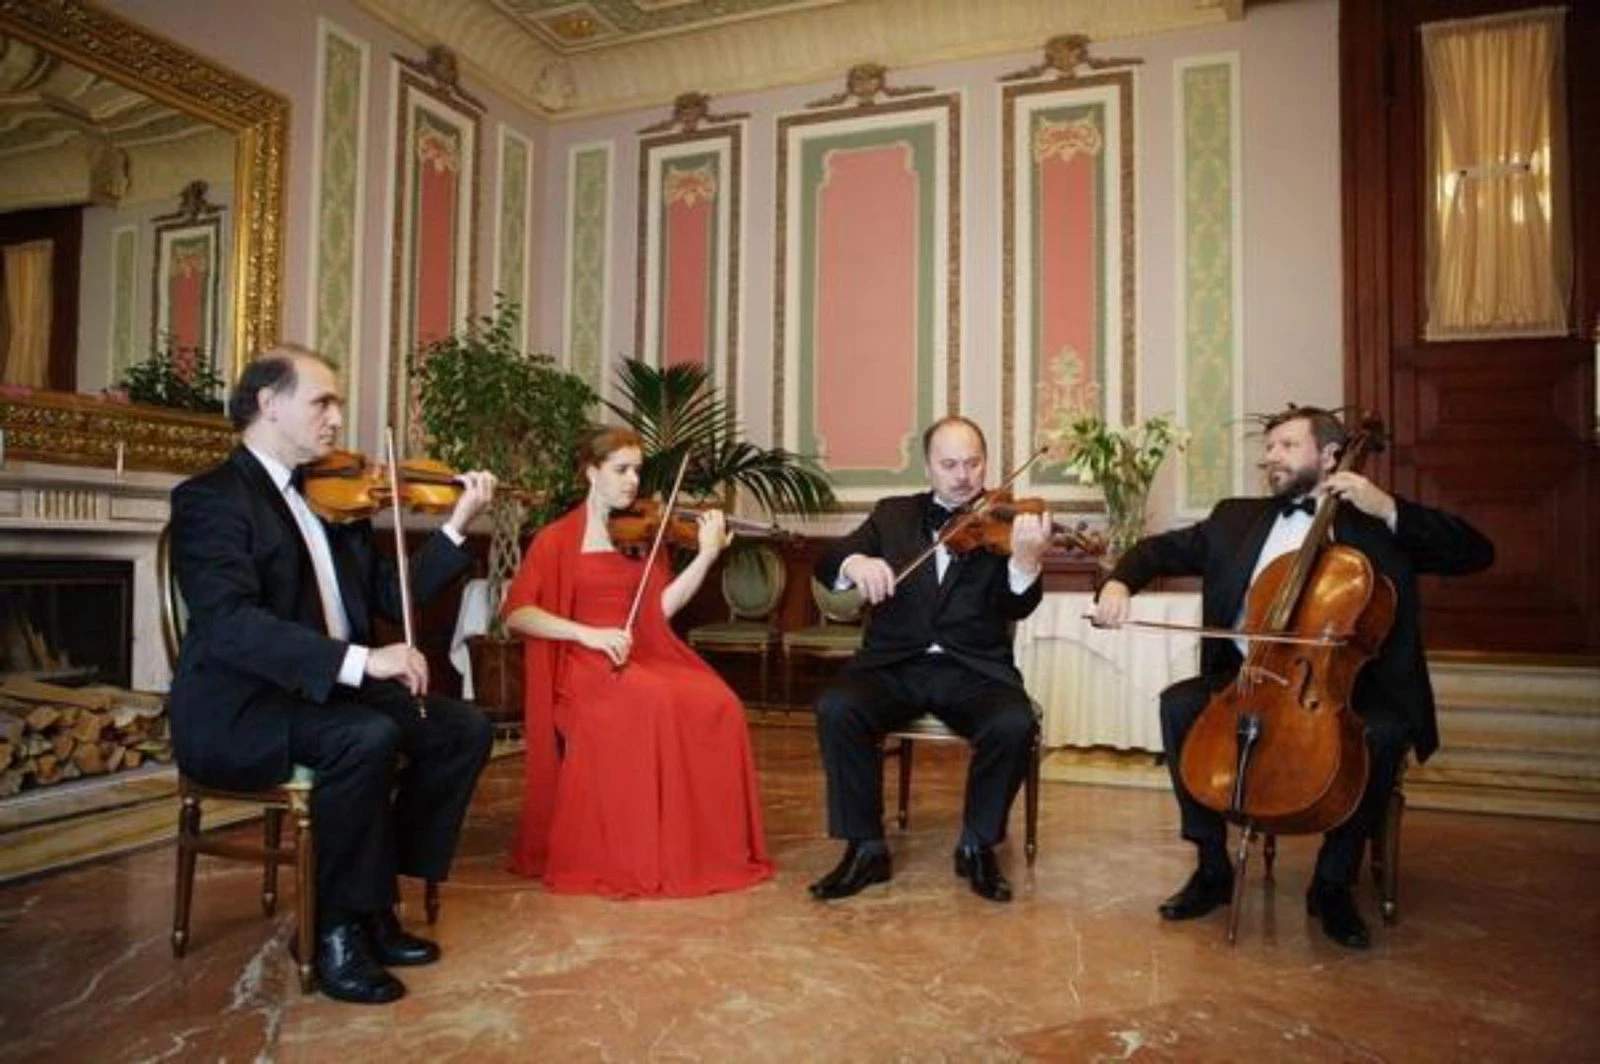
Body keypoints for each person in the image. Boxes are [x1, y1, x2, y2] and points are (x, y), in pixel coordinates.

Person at [1090, 405, 1493, 948]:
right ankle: (1211, 867)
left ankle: (1333, 882)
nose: (1271, 457)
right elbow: (1154, 551)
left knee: (1381, 733)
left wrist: (1388, 507)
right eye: (1269, 448)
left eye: (1286, 446)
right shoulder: (1235, 518)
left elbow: (1474, 553)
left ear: (1329, 456)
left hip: (1346, 687)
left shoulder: (1375, 524)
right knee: (1180, 703)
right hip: (1252, 676)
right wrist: (1119, 583)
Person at [168, 346, 496, 1005]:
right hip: (242, 707)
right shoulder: (211, 498)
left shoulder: (331, 498)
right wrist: (363, 661)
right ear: (268, 404)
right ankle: (333, 929)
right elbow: (231, 623)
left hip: (327, 693)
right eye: (322, 402)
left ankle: (373, 902)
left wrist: (457, 527)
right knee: (365, 737)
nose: (338, 419)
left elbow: (392, 595)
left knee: (461, 728)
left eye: (337, 404)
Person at [502, 425, 773, 897]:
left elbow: (658, 611)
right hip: (584, 663)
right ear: (592, 473)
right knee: (654, 699)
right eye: (621, 470)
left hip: (642, 649)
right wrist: (587, 633)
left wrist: (706, 556)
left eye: (637, 470)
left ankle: (698, 848)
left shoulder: (642, 536)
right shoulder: (555, 539)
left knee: (720, 702)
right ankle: (648, 850)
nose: (633, 481)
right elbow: (518, 614)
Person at [809, 416, 1049, 903]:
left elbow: (1016, 606)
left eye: (973, 464)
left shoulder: (1005, 523)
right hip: (894, 666)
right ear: (928, 467)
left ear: (986, 463)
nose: (962, 476)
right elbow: (829, 561)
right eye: (949, 464)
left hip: (973, 669)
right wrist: (857, 563)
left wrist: (1025, 564)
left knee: (1013, 722)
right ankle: (865, 848)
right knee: (837, 706)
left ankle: (977, 845)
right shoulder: (892, 515)